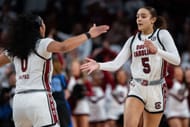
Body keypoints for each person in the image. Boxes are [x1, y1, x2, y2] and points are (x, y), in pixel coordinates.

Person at [0, 14, 109, 127]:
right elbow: (63, 47)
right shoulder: (42, 43)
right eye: (43, 23)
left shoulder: (15, 49)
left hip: (18, 102)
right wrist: (89, 34)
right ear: (40, 28)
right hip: (39, 98)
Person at [81, 6, 181, 127]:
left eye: (143, 16)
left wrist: (157, 51)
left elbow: (177, 60)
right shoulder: (132, 40)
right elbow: (116, 64)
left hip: (157, 88)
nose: (139, 19)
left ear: (153, 20)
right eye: (137, 16)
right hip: (137, 86)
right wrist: (98, 65)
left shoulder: (162, 34)